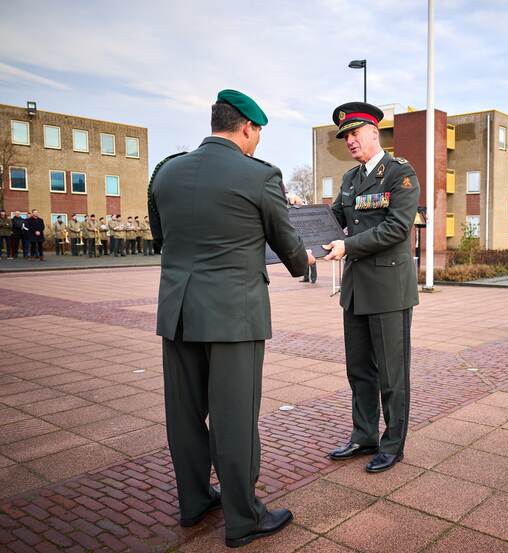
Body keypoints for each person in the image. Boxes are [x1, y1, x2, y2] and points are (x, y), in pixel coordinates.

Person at [149, 89, 313, 548]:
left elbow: (161, 237)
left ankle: (195, 501)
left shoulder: (166, 172)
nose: (258, 140)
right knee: (235, 419)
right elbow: (289, 247)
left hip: (178, 313)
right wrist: (307, 263)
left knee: (183, 416)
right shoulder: (259, 176)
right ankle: (244, 519)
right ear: (248, 128)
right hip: (233, 317)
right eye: (258, 132)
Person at [323, 102, 420, 474]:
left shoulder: (399, 173)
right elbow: (333, 221)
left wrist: (348, 245)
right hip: (357, 291)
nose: (350, 140)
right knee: (359, 370)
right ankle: (364, 435)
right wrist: (300, 220)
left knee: (392, 374)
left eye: (355, 133)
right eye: (345, 135)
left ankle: (392, 444)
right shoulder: (350, 180)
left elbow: (397, 227)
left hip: (389, 290)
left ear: (374, 132)